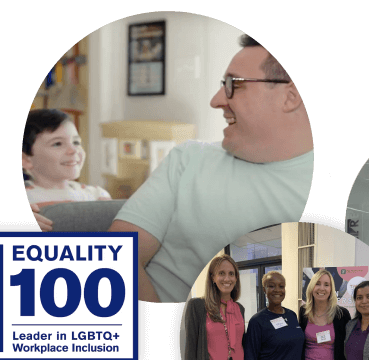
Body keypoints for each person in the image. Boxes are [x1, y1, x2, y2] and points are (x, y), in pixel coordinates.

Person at [108, 35, 314, 302]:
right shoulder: (189, 157)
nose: (216, 100)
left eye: (233, 84)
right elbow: (118, 257)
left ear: (290, 97)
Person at [22, 109, 111, 231]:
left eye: (76, 142)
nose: (73, 150)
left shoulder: (97, 195)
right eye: (57, 144)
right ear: (26, 160)